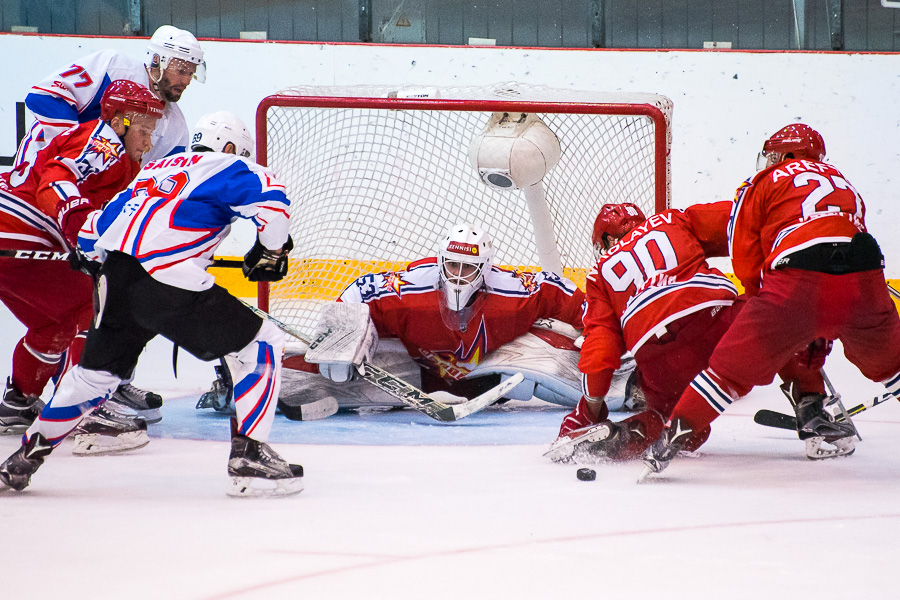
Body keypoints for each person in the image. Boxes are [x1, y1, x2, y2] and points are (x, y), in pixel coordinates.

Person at [0, 112, 301, 497]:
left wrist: (86, 254)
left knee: (95, 377)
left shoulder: (153, 171)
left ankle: (26, 456)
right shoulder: (230, 165)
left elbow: (97, 228)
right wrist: (270, 250)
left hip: (117, 277)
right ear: (230, 147)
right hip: (169, 277)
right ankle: (252, 458)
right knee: (261, 343)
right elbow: (273, 201)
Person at [641, 123, 900, 478]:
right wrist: (815, 332)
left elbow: (746, 255)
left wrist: (764, 310)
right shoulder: (843, 181)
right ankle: (812, 408)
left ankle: (668, 442)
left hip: (797, 277)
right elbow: (842, 249)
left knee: (726, 371)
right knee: (894, 365)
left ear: (784, 154)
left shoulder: (763, 182)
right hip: (865, 277)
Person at [546, 201, 833, 464]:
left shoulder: (599, 273)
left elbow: (600, 348)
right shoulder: (671, 220)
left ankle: (614, 438)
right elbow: (742, 221)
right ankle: (811, 407)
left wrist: (590, 409)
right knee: (778, 321)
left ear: (608, 239)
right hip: (714, 322)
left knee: (683, 427)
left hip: (659, 358)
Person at [265, 222, 612, 419]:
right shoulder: (408, 290)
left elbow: (565, 295)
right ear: (440, 262)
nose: (459, 276)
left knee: (558, 361)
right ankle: (251, 378)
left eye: (469, 269)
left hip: (490, 368)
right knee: (325, 373)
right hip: (414, 366)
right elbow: (357, 293)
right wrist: (341, 340)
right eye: (452, 266)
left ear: (486, 269)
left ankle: (625, 385)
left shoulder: (512, 293)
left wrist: (595, 330)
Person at [0, 80, 165, 452]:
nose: (149, 141)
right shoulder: (104, 141)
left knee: (52, 323)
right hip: (18, 224)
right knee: (92, 306)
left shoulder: (119, 157)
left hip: (16, 235)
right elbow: (56, 182)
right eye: (143, 130)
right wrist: (78, 231)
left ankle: (18, 403)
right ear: (121, 120)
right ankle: (84, 413)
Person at [13, 25, 204, 169]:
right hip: (39, 166)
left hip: (90, 195)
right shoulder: (113, 68)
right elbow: (43, 98)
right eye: (181, 70)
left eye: (190, 73)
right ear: (157, 61)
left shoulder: (177, 130)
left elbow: (164, 184)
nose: (186, 80)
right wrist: (78, 155)